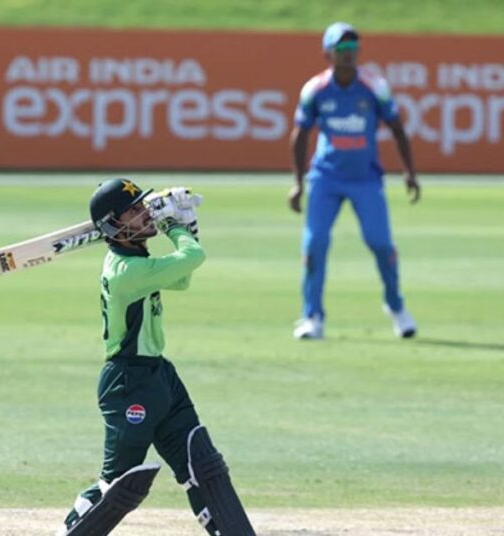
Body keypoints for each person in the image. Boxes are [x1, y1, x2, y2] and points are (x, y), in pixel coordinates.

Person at [57, 179, 256, 536]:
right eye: (135, 211)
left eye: (145, 206)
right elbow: (194, 258)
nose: (147, 213)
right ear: (114, 226)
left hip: (159, 376)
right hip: (129, 382)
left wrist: (188, 231)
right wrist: (174, 227)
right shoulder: (126, 273)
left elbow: (182, 278)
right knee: (120, 484)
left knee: (203, 464)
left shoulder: (136, 261)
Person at [289, 22, 422, 340]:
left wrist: (409, 172)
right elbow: (300, 135)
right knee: (315, 244)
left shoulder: (374, 86)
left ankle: (396, 306)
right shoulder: (315, 90)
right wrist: (297, 183)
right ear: (327, 53)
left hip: (365, 179)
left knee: (381, 245)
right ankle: (312, 317)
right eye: (342, 49)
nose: (349, 54)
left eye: (353, 48)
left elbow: (398, 128)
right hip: (325, 178)